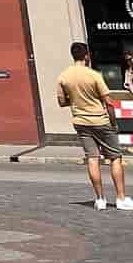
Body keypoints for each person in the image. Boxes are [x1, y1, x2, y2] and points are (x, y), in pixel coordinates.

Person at [57, 41, 133, 210]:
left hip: (81, 122)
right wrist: (114, 123)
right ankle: (120, 198)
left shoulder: (64, 76)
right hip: (100, 120)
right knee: (115, 158)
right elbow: (109, 102)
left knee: (92, 159)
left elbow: (62, 102)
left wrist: (77, 100)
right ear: (86, 56)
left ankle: (100, 199)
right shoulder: (94, 76)